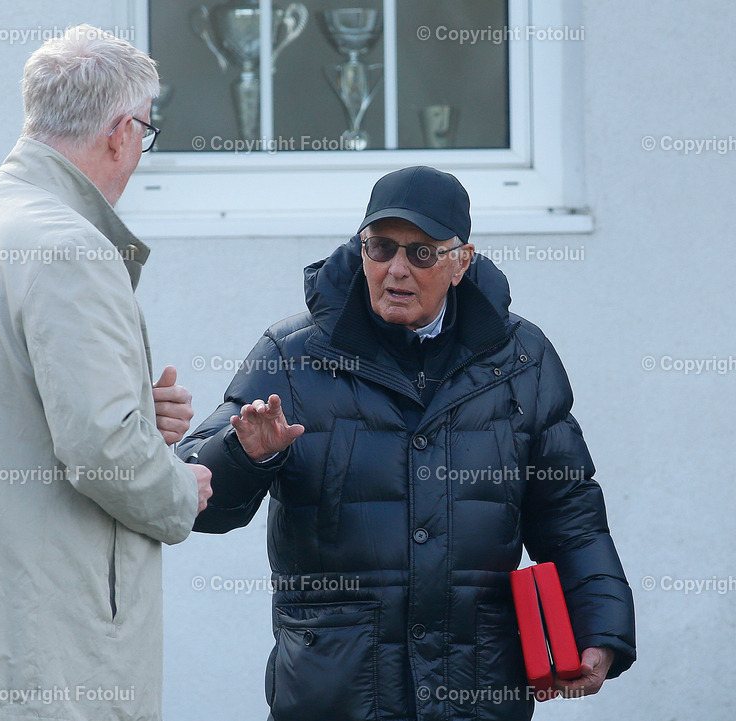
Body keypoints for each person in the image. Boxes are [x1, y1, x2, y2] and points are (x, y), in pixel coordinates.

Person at [180, 166, 635, 721]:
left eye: (421, 253)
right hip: (336, 692)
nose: (396, 269)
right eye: (381, 248)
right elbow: (191, 497)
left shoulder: (522, 359)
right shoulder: (292, 356)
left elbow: (570, 514)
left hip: (478, 689)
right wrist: (243, 454)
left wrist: (599, 625)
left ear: (461, 262)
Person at [0, 26, 212, 721]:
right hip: (44, 660)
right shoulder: (69, 246)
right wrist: (179, 485)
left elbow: (4, 407)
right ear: (122, 131)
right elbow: (101, 450)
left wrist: (132, 408)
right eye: (146, 135)